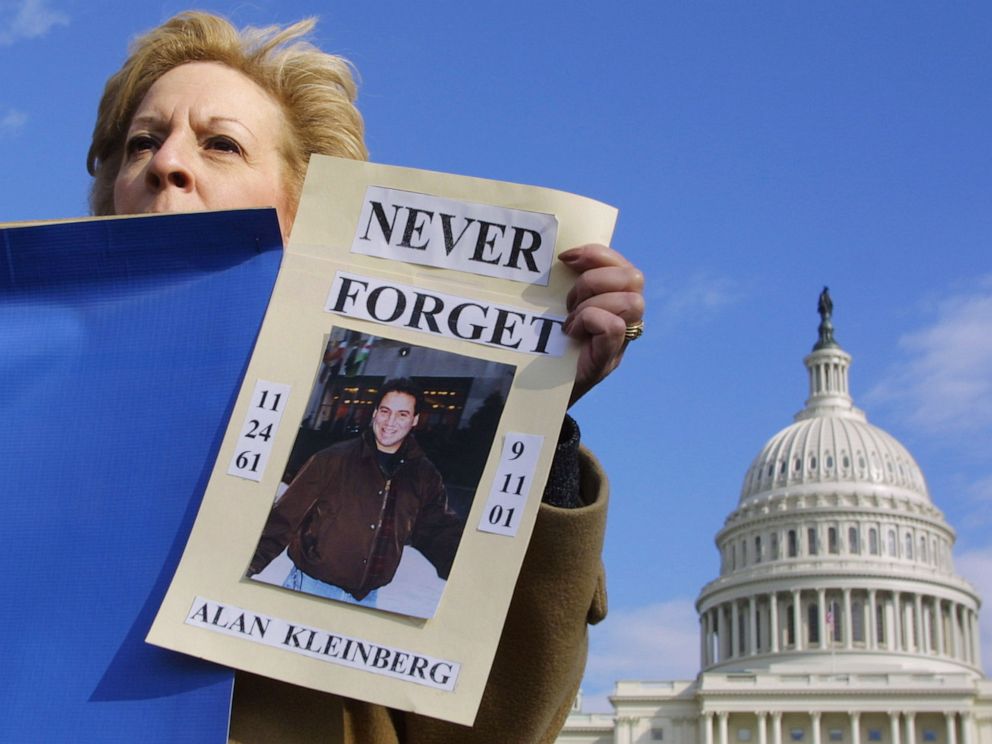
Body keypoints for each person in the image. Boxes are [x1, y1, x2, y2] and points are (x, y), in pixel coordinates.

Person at [88, 11, 645, 743]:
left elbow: (497, 726)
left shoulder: (374, 469)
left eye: (220, 143)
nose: (167, 163)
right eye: (142, 142)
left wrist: (537, 428)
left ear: (306, 216)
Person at [249, 378, 461, 609]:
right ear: (374, 413)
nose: (390, 422)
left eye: (402, 414)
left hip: (366, 599)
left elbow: (437, 531)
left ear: (415, 420)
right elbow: (284, 519)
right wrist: (248, 567)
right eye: (385, 411)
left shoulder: (423, 475)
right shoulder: (332, 460)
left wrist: (469, 580)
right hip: (311, 587)